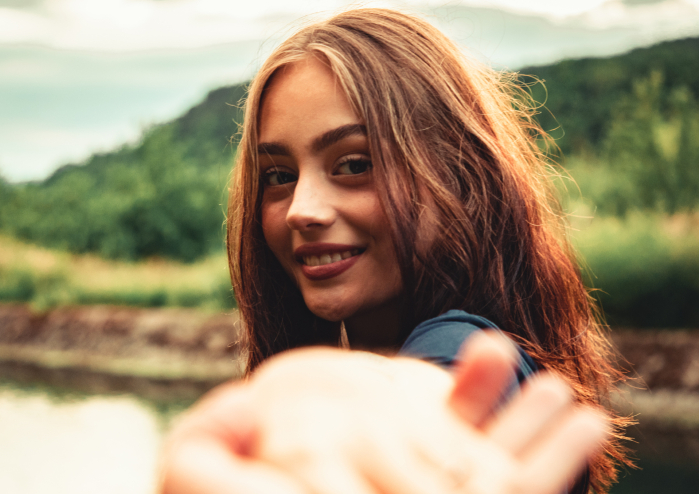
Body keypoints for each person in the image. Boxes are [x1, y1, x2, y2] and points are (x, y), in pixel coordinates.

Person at [160, 7, 630, 494]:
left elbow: (428, 388)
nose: (302, 210)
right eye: (279, 176)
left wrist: (329, 409)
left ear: (459, 174)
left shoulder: (467, 351)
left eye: (354, 164)